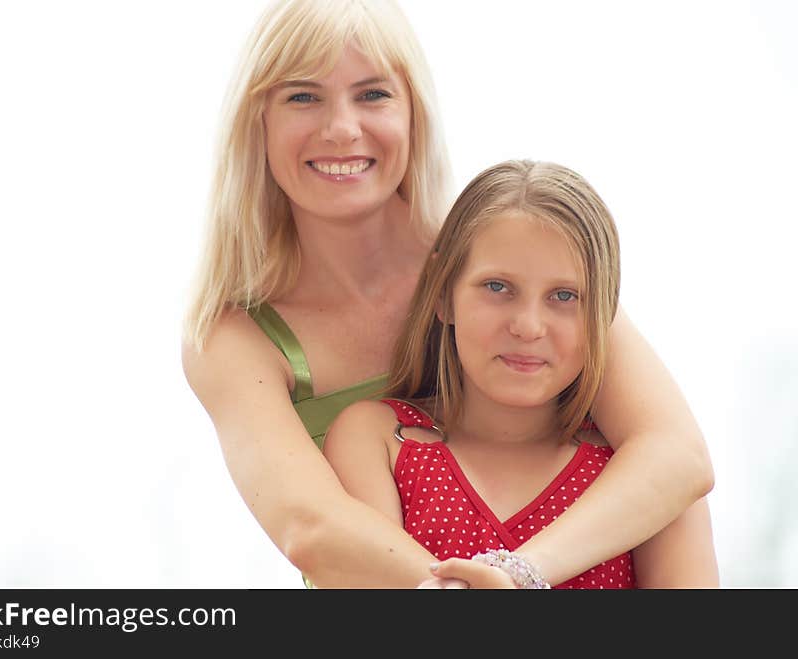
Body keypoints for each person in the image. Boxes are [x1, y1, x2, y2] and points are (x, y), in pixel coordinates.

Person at [181, 0, 713, 588]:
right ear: (256, 120)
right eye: (302, 96)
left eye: (373, 94)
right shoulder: (232, 336)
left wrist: (519, 576)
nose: (340, 128)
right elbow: (310, 528)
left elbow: (676, 458)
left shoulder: (508, 256)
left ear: (415, 113)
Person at [322, 160, 719, 588]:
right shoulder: (379, 441)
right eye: (497, 287)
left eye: (564, 295)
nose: (528, 326)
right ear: (443, 292)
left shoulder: (648, 481)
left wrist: (519, 578)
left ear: (604, 315)